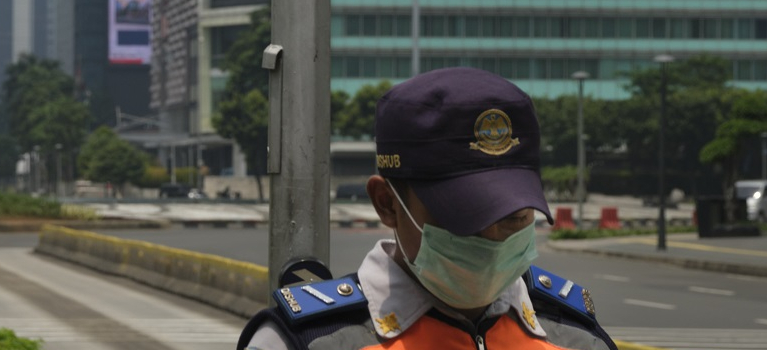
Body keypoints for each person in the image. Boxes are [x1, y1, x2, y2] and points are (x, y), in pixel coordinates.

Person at [237, 67, 618, 350]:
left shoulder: (576, 337)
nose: (491, 240)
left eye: (514, 218)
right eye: (464, 219)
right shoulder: (308, 342)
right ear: (387, 203)